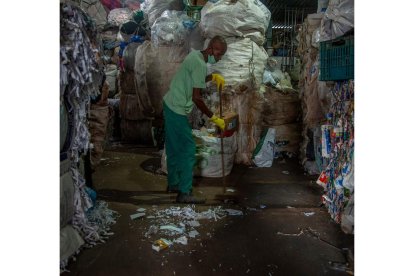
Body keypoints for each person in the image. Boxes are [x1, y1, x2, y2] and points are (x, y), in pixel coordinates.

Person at [162, 35, 227, 204]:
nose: (219, 59)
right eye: (219, 54)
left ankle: (173, 183)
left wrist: (211, 78)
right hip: (176, 108)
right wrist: (214, 118)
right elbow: (197, 98)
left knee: (173, 147)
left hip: (169, 103)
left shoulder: (195, 55)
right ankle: (184, 192)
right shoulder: (199, 63)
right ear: (212, 49)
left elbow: (194, 81)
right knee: (188, 149)